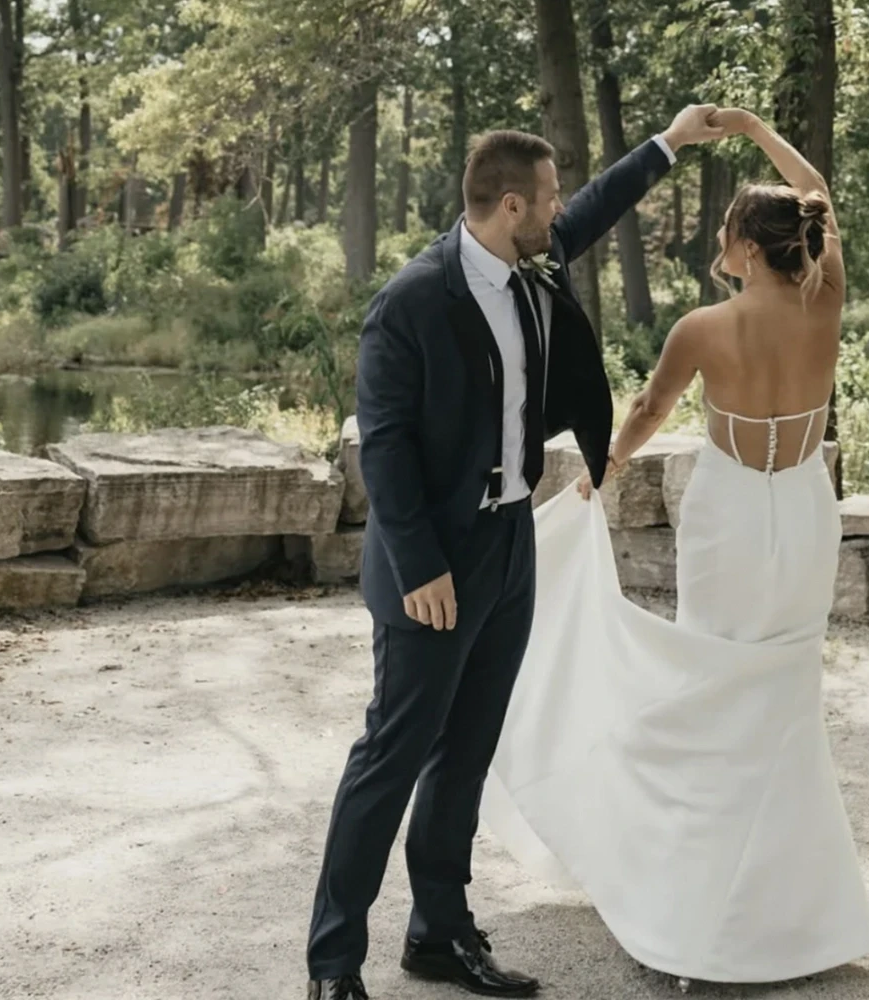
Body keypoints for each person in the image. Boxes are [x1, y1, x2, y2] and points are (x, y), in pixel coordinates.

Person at [305, 106, 726, 1000]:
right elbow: (384, 446)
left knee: (467, 750)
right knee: (392, 754)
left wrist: (671, 142)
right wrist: (420, 566)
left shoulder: (533, 261)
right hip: (434, 565)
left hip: (509, 542)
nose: (559, 209)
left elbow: (596, 206)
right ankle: (333, 965)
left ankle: (439, 934)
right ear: (509, 207)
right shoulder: (412, 301)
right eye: (548, 197)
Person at [480, 108, 869, 990]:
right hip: (804, 510)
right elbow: (817, 190)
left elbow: (649, 410)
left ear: (748, 248)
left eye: (727, 230)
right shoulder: (824, 299)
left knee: (712, 687)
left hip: (729, 516)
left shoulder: (702, 327)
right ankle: (797, 918)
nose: (718, 242)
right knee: (783, 697)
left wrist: (603, 471)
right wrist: (756, 129)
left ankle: (698, 905)